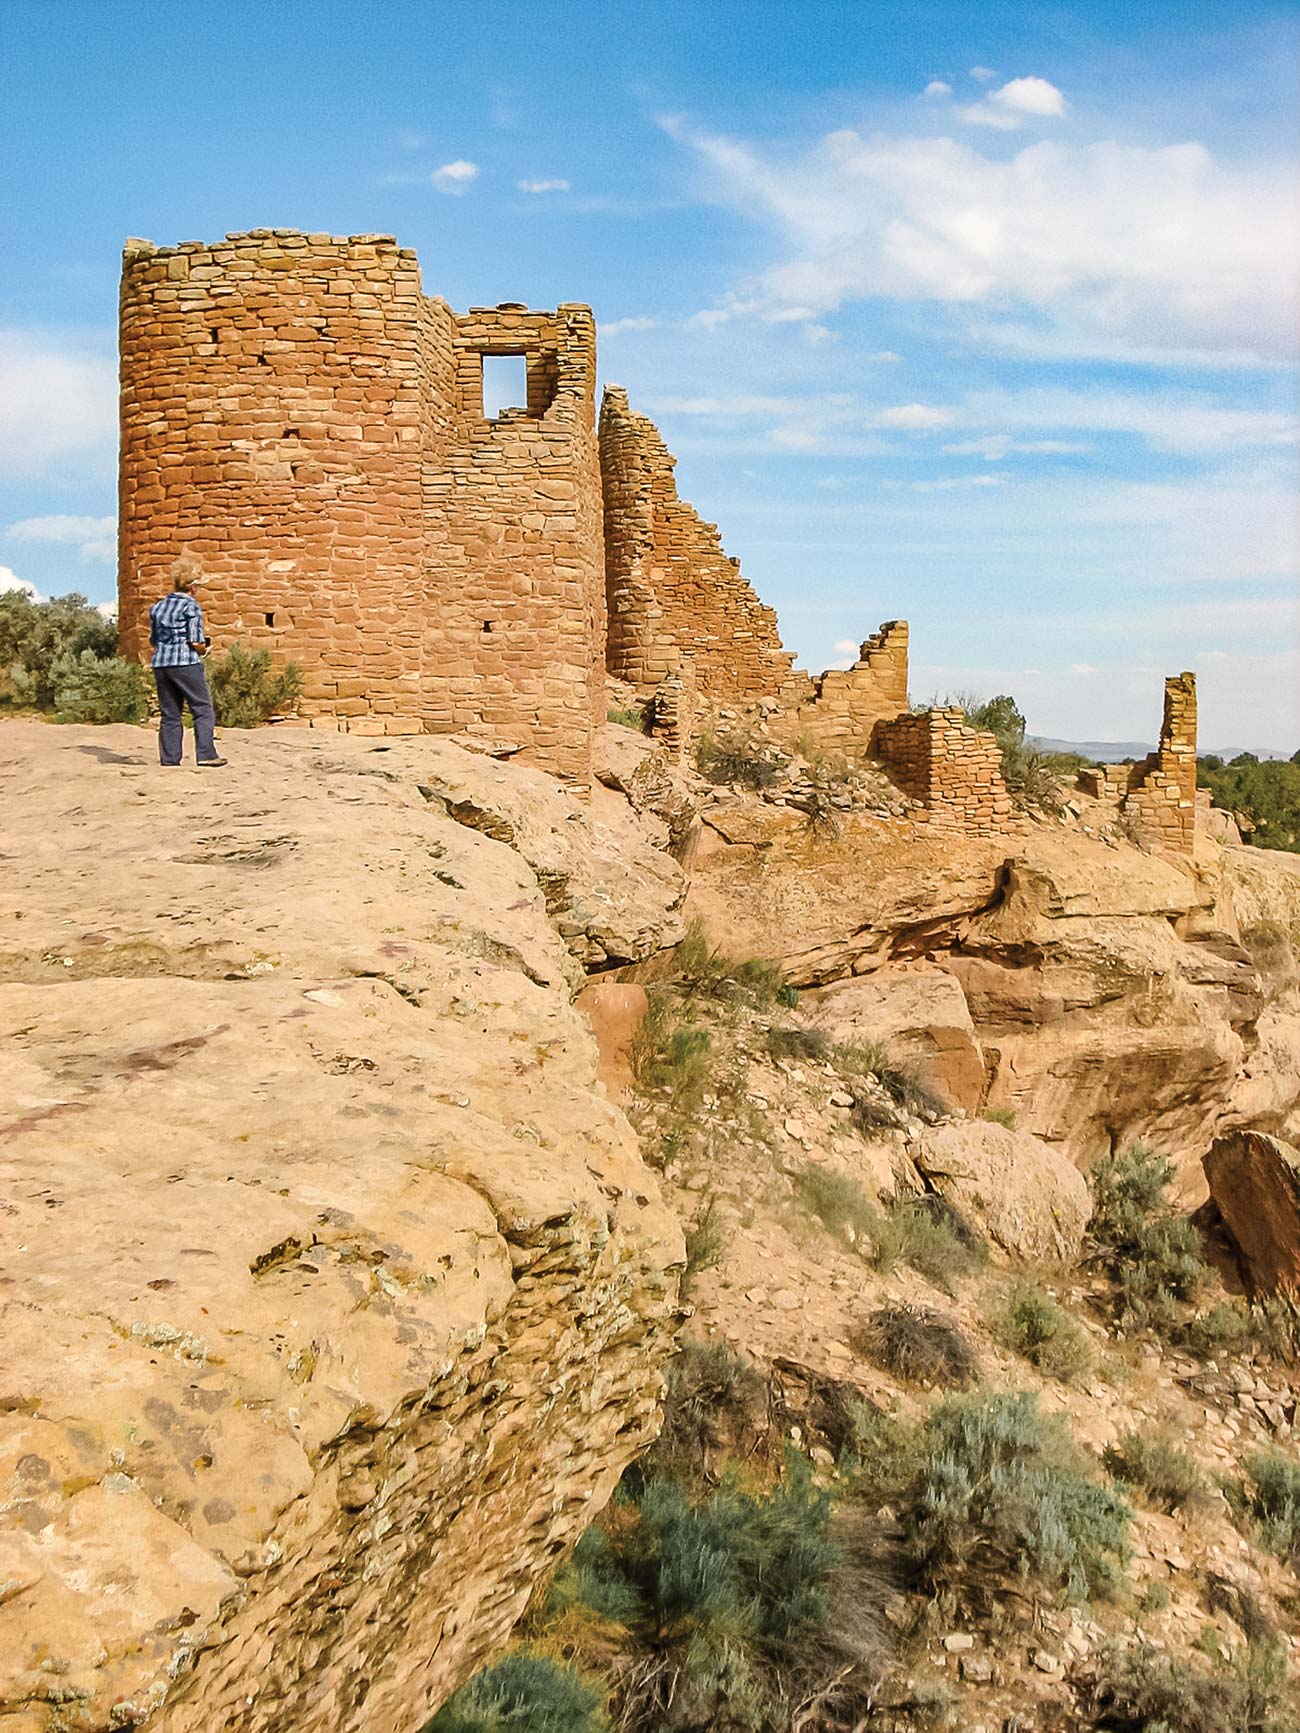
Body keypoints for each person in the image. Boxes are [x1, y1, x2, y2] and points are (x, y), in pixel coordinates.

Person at [148, 564, 228, 768]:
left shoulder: (158, 607)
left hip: (161, 663)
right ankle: (206, 754)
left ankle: (170, 759)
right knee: (202, 708)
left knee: (170, 713)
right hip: (185, 662)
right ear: (191, 587)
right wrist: (204, 650)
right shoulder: (190, 606)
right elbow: (195, 641)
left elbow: (153, 640)